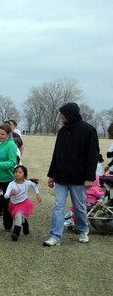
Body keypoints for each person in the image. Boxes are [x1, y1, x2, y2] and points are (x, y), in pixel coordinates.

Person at [44, 102, 101, 246]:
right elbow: (57, 154)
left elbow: (93, 155)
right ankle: (55, 236)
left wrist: (89, 177)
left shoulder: (88, 130)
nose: (60, 116)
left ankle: (83, 230)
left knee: (79, 206)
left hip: (79, 178)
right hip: (61, 177)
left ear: (70, 114)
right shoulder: (62, 131)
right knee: (58, 206)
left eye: (62, 114)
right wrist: (52, 174)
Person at [4, 165, 42, 241]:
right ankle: (24, 223)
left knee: (18, 215)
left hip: (24, 203)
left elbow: (34, 185)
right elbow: (5, 196)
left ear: (24, 174)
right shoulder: (11, 184)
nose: (17, 174)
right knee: (19, 217)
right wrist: (11, 194)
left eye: (20, 172)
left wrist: (37, 194)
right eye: (16, 172)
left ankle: (15, 233)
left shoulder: (27, 183)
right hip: (14, 204)